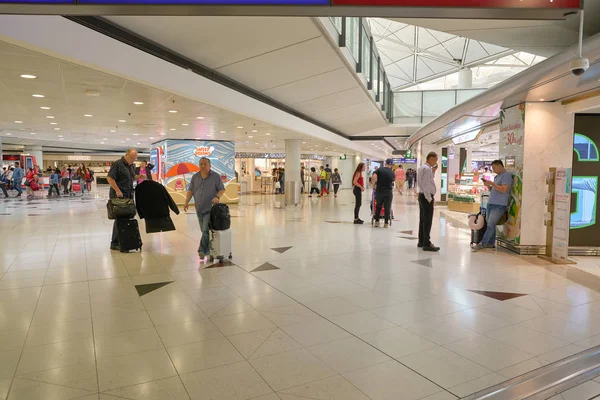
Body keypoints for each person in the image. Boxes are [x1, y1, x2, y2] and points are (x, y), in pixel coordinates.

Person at [183, 157, 225, 259]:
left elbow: (221, 189)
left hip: (210, 209)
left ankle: (201, 250)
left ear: (210, 165)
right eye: (201, 164)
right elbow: (191, 191)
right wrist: (186, 202)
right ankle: (208, 249)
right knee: (204, 230)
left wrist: (217, 197)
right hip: (199, 208)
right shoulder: (195, 177)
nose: (203, 166)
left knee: (205, 229)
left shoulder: (215, 176)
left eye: (205, 164)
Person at [106, 149, 147, 250]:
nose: (134, 160)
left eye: (135, 158)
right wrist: (117, 190)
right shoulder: (117, 164)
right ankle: (115, 242)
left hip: (128, 195)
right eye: (133, 158)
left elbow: (133, 177)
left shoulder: (131, 166)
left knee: (126, 217)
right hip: (118, 196)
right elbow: (110, 178)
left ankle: (121, 240)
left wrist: (140, 177)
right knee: (119, 218)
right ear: (127, 155)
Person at [473, 160, 513, 252]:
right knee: (491, 224)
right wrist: (488, 185)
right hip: (491, 203)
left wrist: (492, 183)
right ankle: (490, 243)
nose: (493, 170)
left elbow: (504, 189)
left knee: (491, 224)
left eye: (494, 168)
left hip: (499, 205)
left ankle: (482, 244)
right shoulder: (497, 176)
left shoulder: (506, 176)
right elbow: (494, 189)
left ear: (500, 166)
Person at [417, 152, 440, 252]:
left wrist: (434, 171)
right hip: (426, 197)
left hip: (422, 196)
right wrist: (429, 199)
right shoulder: (426, 169)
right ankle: (426, 243)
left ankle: (421, 240)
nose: (435, 162)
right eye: (435, 160)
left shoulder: (424, 168)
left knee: (423, 219)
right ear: (430, 158)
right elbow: (426, 185)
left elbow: (427, 181)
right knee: (427, 221)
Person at [371, 159, 395, 228]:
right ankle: (386, 223)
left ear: (386, 163)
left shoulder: (380, 170)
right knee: (387, 207)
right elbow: (393, 180)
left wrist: (373, 185)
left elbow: (374, 176)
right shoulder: (392, 172)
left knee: (378, 206)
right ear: (390, 165)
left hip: (379, 191)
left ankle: (377, 221)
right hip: (388, 192)